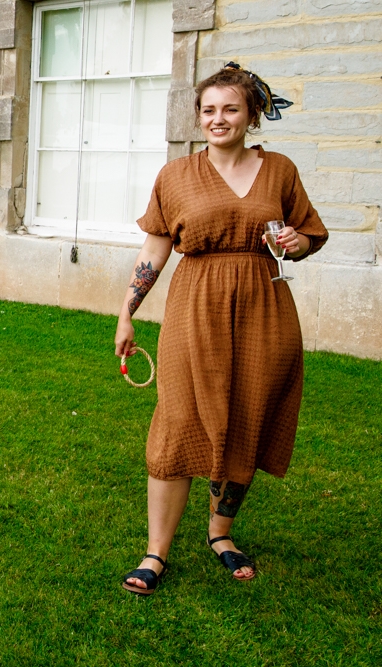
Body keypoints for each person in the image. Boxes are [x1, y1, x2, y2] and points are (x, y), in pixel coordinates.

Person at [114, 64, 329, 596]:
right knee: (179, 418)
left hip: (265, 306)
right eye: (208, 110)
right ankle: (154, 552)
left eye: (230, 108)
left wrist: (294, 243)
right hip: (196, 305)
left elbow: (309, 234)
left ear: (251, 114)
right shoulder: (176, 175)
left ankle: (221, 534)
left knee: (247, 414)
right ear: (198, 117)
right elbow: (155, 247)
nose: (218, 119)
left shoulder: (279, 170)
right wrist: (127, 311)